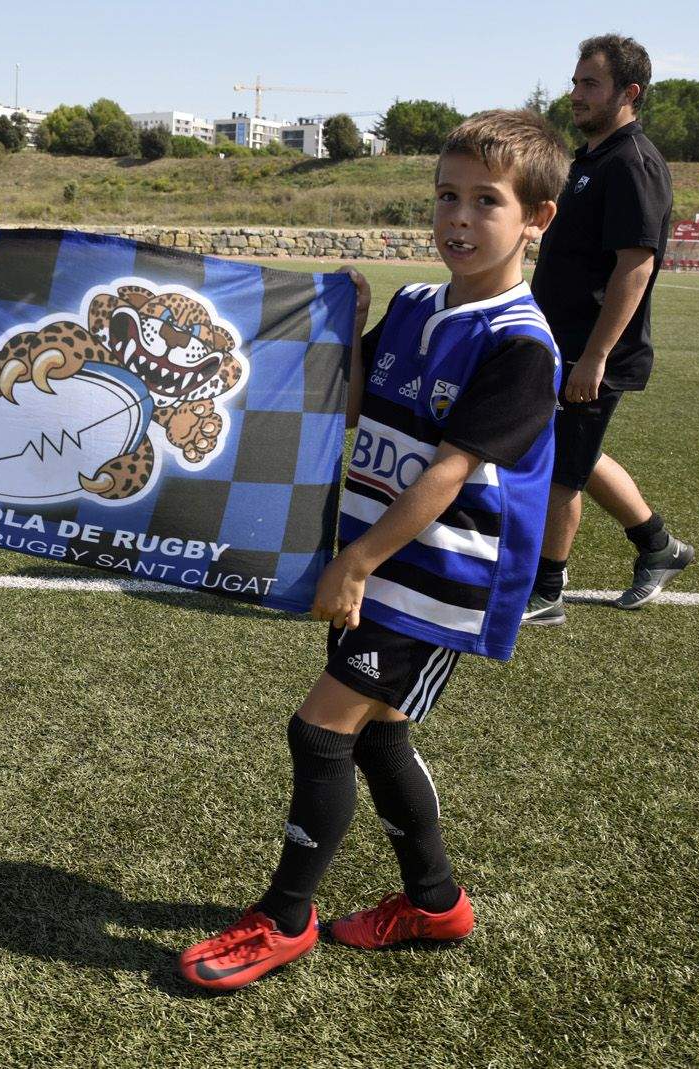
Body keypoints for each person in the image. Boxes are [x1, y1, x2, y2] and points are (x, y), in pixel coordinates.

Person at [177, 111, 566, 991]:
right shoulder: (418, 305)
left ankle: (284, 917)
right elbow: (351, 404)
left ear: (537, 219)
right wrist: (350, 318)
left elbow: (449, 474)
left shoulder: (521, 345)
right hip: (383, 561)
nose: (458, 218)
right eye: (446, 196)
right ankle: (434, 901)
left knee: (319, 728)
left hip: (437, 577)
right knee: (379, 739)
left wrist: (355, 563)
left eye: (487, 201)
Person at [524, 34, 693, 625]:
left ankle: (547, 591)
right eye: (575, 82)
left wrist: (595, 357)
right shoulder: (591, 160)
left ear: (629, 92)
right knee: (577, 454)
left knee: (561, 471)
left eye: (590, 83)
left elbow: (635, 265)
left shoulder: (632, 163)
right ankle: (658, 546)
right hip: (560, 341)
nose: (576, 93)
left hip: (592, 350)